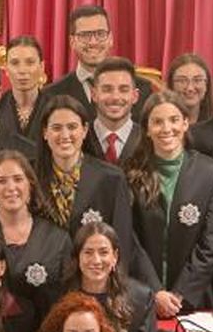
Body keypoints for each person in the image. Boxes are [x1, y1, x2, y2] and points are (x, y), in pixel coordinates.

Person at [126, 90, 213, 317]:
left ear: (185, 123)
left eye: (173, 120)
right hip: (142, 295)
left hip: (193, 299)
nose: (166, 128)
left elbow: (211, 242)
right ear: (147, 129)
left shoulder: (209, 172)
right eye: (157, 122)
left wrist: (180, 294)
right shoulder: (130, 172)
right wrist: (155, 292)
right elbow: (129, 239)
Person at [34, 96, 138, 271]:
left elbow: (122, 243)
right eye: (56, 128)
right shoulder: (29, 176)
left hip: (94, 279)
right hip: (42, 279)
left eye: (72, 127)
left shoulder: (111, 178)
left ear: (84, 130)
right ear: (45, 132)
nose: (65, 135)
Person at [0, 150, 72, 315]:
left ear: (30, 184)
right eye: (1, 181)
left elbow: (68, 300)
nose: (11, 188)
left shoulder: (57, 239)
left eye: (18, 179)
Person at [66, 222, 156, 332]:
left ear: (115, 257)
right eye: (88, 252)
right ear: (77, 257)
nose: (96, 260)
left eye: (103, 252)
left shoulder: (141, 297)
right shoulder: (58, 296)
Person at [86, 58, 144, 164]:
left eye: (123, 90)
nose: (115, 97)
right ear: (94, 94)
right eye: (107, 89)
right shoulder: (80, 138)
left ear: (135, 96)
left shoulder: (148, 140)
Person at [0, 35, 47, 138]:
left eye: (30, 62)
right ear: (6, 68)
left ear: (41, 67)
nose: (22, 70)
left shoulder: (54, 107)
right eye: (15, 63)